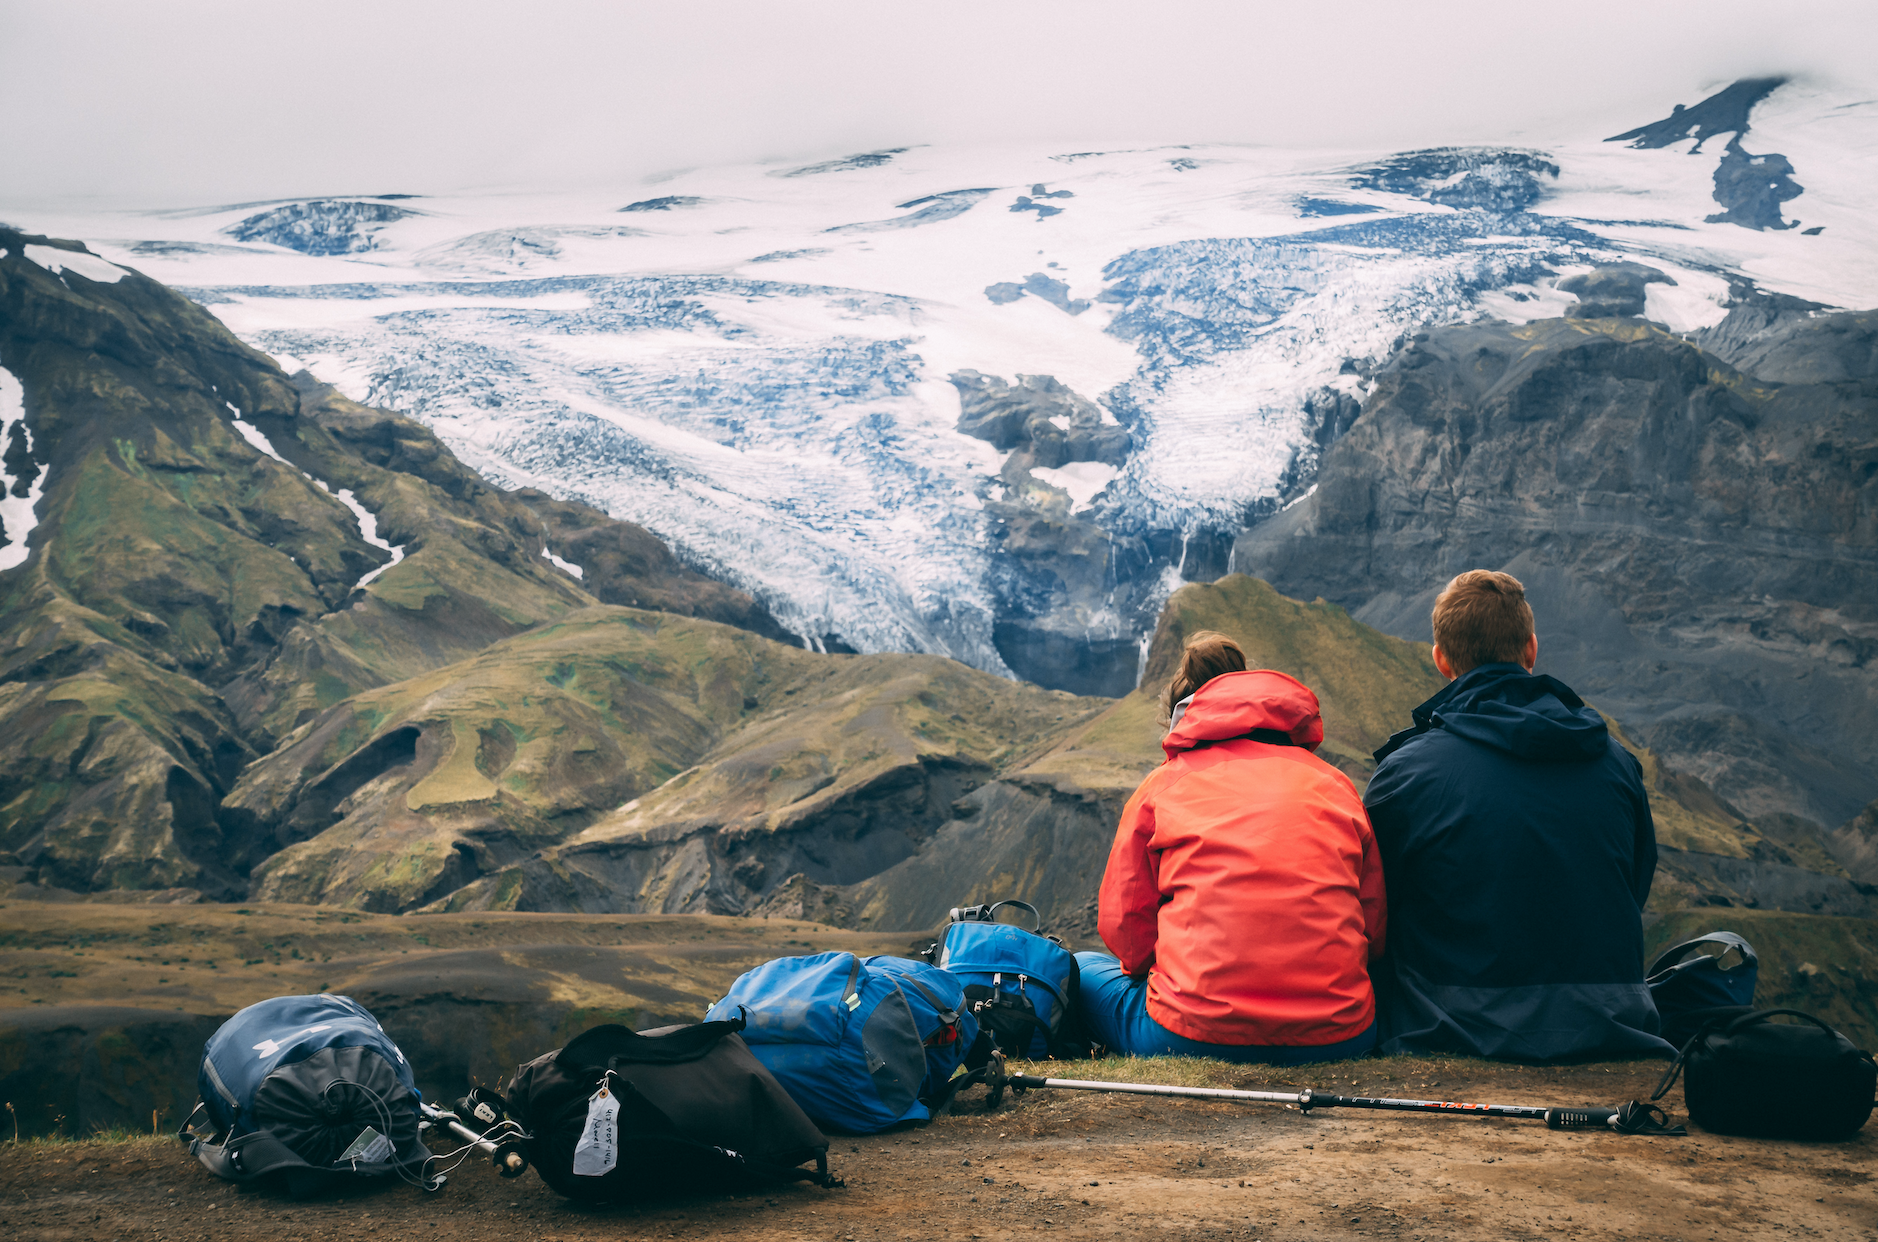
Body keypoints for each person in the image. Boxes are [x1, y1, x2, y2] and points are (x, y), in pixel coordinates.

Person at [1363, 570, 1673, 1060]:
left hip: (1449, 1028)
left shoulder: (1406, 774)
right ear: (1531, 649)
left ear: (1441, 659)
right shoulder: (1618, 765)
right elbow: (1635, 882)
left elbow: (1374, 911)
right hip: (1610, 1025)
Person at [1076, 631, 1386, 1064]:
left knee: (1080, 969)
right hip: (1340, 1035)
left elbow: (1126, 934)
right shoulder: (1336, 785)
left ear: (1183, 719)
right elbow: (1373, 928)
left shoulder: (1163, 787)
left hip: (1192, 1034)